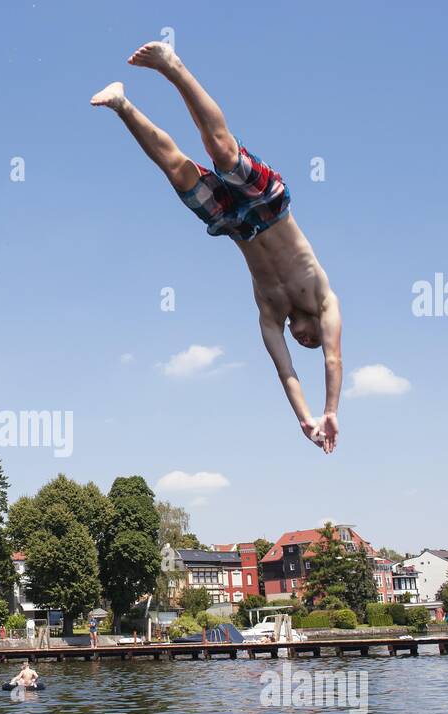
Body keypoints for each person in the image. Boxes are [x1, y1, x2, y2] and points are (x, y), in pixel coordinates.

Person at [92, 42, 342, 452]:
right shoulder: (324, 298)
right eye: (313, 340)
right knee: (223, 151)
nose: (306, 343)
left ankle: (121, 103)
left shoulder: (270, 313)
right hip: (270, 207)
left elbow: (287, 374)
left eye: (305, 345)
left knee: (177, 170)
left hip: (235, 226)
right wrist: (331, 409)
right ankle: (173, 66)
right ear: (319, 324)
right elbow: (334, 360)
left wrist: (306, 419)